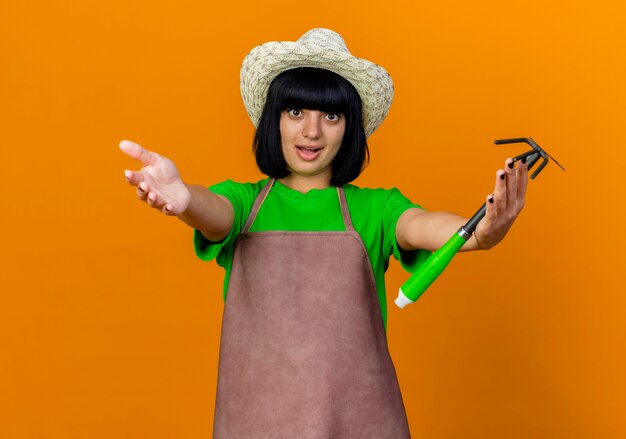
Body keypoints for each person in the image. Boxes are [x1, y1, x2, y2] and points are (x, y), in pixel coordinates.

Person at [120, 28, 527, 438]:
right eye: (295, 111)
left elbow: (423, 225)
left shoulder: (375, 209)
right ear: (273, 119)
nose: (312, 132)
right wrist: (184, 198)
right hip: (255, 423)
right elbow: (213, 211)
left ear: (349, 128)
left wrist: (479, 230)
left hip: (361, 422)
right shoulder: (243, 204)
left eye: (330, 116)